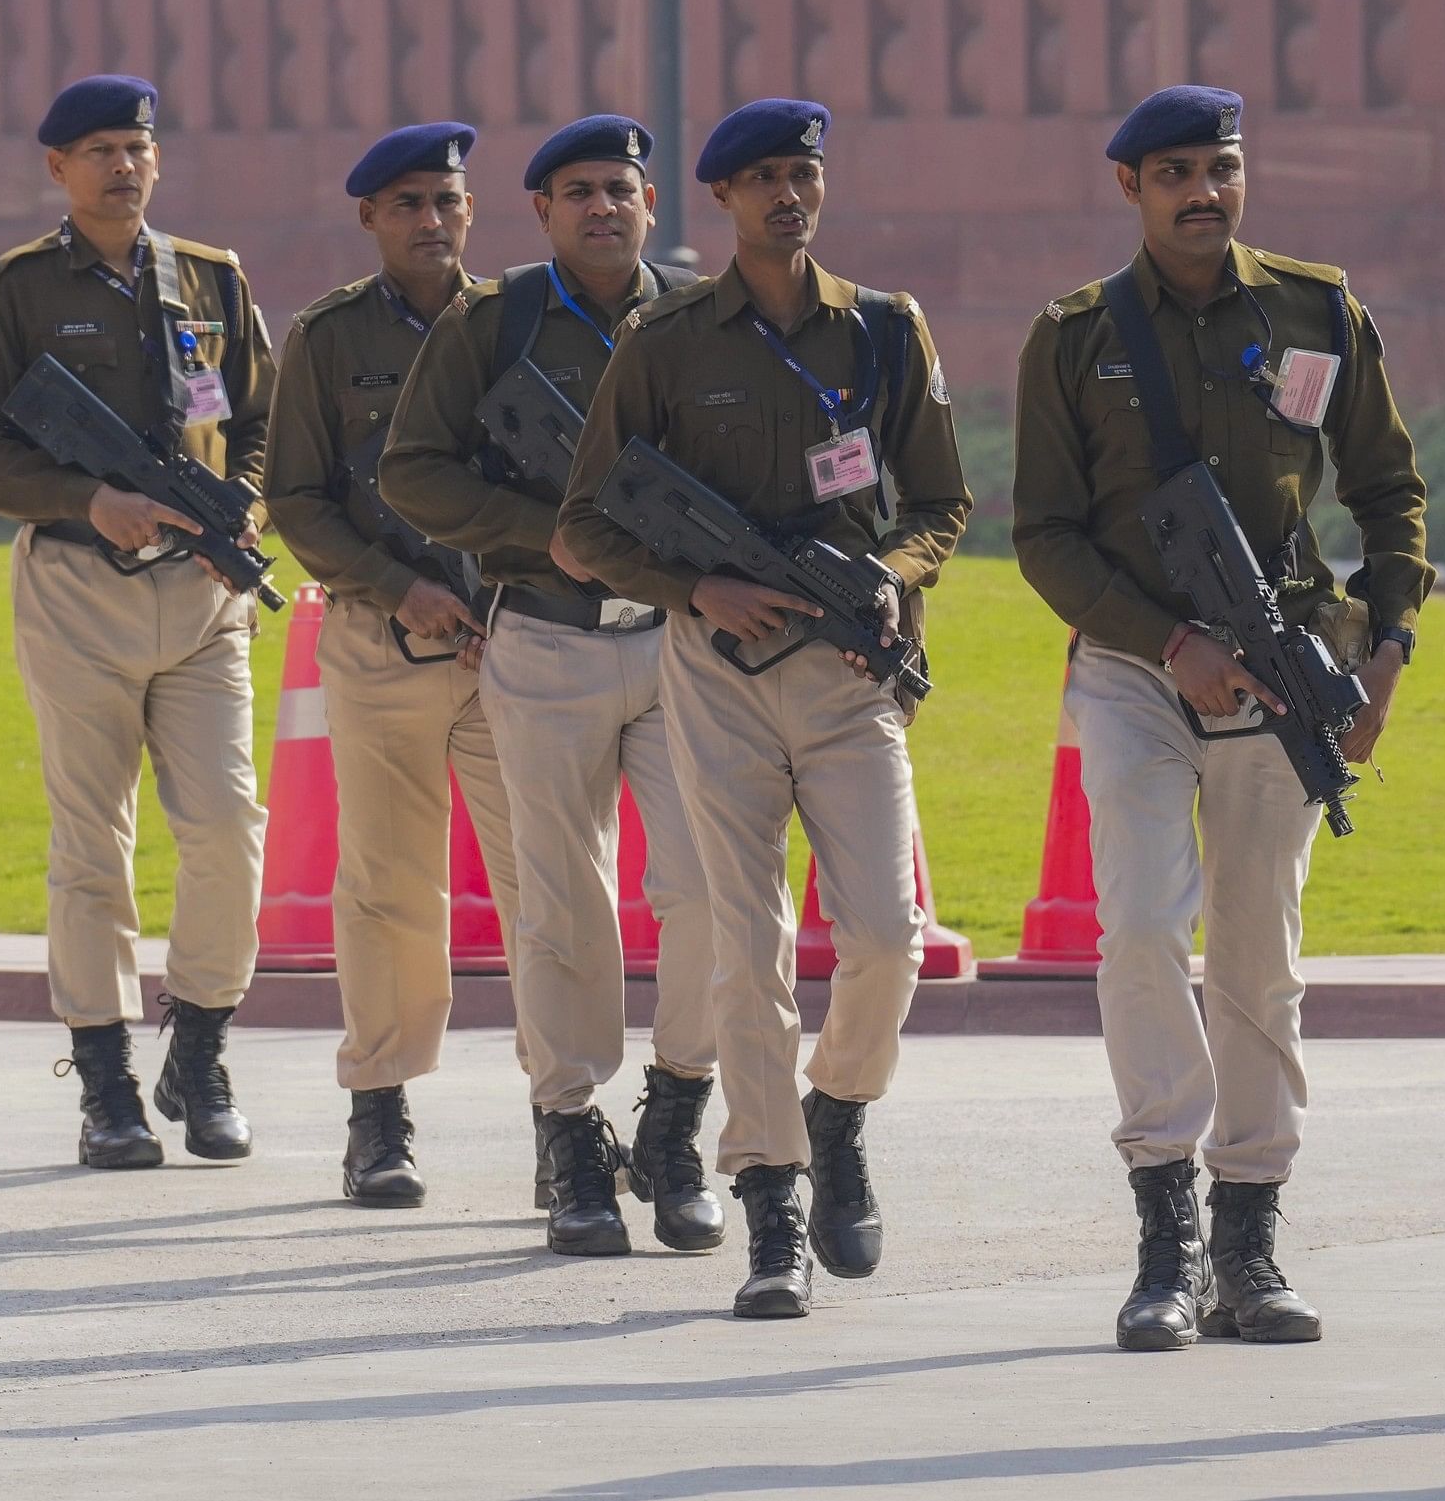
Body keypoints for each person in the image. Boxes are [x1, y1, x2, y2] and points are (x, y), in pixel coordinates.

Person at [1011, 85, 1428, 1352]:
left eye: (1223, 166)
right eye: (1177, 171)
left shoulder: (1314, 309)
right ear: (1129, 186)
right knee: (1140, 925)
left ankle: (1248, 1234)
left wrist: (1388, 639)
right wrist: (1168, 640)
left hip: (1286, 668)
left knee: (1258, 955)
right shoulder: (1076, 335)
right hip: (1138, 670)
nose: (1205, 190)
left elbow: (1390, 487)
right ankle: (1165, 1232)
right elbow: (1042, 533)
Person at [556, 98, 968, 1321]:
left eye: (804, 173)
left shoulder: (885, 331)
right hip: (716, 673)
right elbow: (583, 526)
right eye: (764, 179)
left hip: (848, 676)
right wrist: (698, 585)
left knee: (887, 937)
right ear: (722, 201)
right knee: (747, 946)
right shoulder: (669, 338)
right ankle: (773, 1203)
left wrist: (888, 576)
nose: (789, 194)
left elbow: (941, 503)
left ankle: (836, 1110)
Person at [379, 114, 725, 1256]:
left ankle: (675, 1113)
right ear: (541, 210)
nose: (600, 207)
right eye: (577, 190)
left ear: (651, 203)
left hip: (675, 642)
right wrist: (546, 533)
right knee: (563, 899)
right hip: (545, 638)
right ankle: (570, 1126)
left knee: (709, 889)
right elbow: (413, 471)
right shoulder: (494, 324)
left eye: (619, 187)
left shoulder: (694, 316)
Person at [0, 75, 273, 1172]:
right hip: (79, 584)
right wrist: (89, 500)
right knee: (95, 841)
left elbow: (264, 422)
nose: (120, 166)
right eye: (96, 150)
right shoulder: (19, 290)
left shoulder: (213, 281)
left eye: (134, 146)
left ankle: (202, 1044)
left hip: (202, 595)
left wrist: (241, 514)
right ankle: (106, 1083)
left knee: (226, 824)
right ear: (57, 169)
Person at [264, 121, 522, 1207]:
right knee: (386, 886)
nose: (431, 220)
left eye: (447, 200)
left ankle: (568, 1111)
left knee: (552, 880)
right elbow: (295, 499)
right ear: (370, 217)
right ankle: (380, 1108)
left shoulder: (524, 320)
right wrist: (391, 581)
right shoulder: (327, 337)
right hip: (383, 637)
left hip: (519, 640)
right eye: (407, 204)